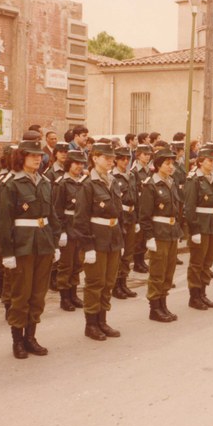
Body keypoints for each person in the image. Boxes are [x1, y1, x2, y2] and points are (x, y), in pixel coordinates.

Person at [0, 140, 62, 358]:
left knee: (37, 294)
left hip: (43, 243)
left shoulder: (44, 182)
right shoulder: (11, 183)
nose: (37, 158)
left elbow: (51, 214)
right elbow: (4, 221)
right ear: (21, 157)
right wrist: (7, 253)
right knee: (20, 294)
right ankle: (17, 340)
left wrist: (55, 243)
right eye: (32, 155)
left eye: (39, 155)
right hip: (22, 245)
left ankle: (31, 337)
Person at [72, 143, 124, 341]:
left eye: (112, 158)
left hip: (113, 238)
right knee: (95, 282)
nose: (111, 161)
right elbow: (80, 219)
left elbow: (118, 214)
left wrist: (121, 237)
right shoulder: (87, 184)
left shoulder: (113, 181)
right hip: (96, 239)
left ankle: (102, 320)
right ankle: (91, 324)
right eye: (106, 157)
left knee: (108, 282)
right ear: (94, 158)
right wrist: (88, 246)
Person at [139, 148, 182, 323]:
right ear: (158, 165)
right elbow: (145, 215)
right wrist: (149, 237)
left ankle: (163, 303)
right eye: (167, 163)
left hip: (171, 233)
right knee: (157, 271)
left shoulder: (170, 182)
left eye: (172, 163)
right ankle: (154, 308)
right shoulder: (151, 185)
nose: (171, 166)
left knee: (168, 271)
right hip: (159, 233)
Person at [183, 147, 213, 309]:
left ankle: (203, 292)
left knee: (208, 260)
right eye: (209, 160)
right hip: (200, 224)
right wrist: (194, 230)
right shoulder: (194, 180)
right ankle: (194, 296)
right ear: (200, 162)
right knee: (197, 262)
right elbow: (189, 207)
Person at [53, 150, 88, 311]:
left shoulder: (83, 182)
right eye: (76, 163)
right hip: (67, 227)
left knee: (77, 264)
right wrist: (61, 232)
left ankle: (74, 294)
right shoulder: (61, 183)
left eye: (82, 164)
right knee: (66, 265)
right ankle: (64, 297)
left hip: (80, 227)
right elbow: (57, 210)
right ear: (69, 165)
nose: (79, 167)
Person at [111, 146, 140, 299]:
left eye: (127, 158)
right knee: (119, 254)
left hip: (131, 215)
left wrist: (137, 219)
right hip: (120, 217)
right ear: (115, 159)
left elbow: (136, 197)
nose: (125, 161)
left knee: (128, 253)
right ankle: (116, 285)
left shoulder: (132, 175)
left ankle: (123, 282)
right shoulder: (112, 176)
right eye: (122, 158)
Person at [0, 145, 15, 313]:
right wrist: (0, 227)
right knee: (4, 265)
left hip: (18, 230)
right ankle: (5, 297)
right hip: (2, 228)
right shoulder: (0, 178)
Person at [131, 144, 154, 273]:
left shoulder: (149, 170)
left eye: (149, 155)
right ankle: (137, 262)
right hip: (139, 205)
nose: (147, 157)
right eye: (145, 154)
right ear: (138, 155)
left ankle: (141, 260)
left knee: (145, 235)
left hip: (147, 205)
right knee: (138, 238)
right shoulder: (134, 171)